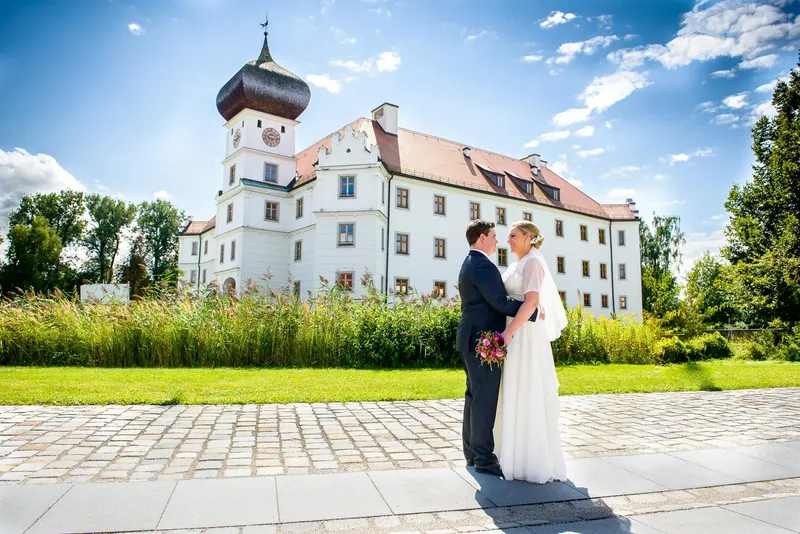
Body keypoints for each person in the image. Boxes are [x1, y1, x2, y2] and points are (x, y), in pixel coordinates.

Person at [456, 219, 538, 477]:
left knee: (474, 396)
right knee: (484, 399)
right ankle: (484, 458)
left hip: (470, 337)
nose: (497, 240)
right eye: (493, 235)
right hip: (482, 341)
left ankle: (471, 452)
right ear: (481, 238)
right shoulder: (483, 265)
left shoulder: (470, 262)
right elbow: (500, 302)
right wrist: (533, 313)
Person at [495, 220, 568, 483]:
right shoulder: (516, 264)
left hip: (525, 334)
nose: (508, 240)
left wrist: (510, 331)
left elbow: (533, 302)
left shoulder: (533, 262)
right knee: (514, 388)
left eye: (513, 235)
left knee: (527, 389)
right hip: (516, 331)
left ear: (528, 237)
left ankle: (531, 460)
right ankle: (511, 456)